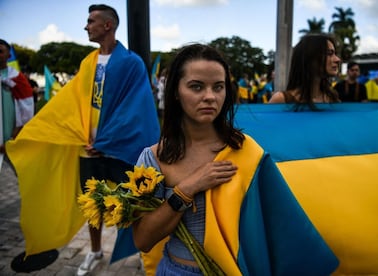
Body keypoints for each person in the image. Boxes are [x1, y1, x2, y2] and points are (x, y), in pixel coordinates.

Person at [131, 43, 338, 275]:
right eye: (196, 87)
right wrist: (186, 189)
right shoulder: (152, 159)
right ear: (176, 92)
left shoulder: (247, 150)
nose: (210, 97)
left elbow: (276, 222)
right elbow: (142, 240)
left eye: (218, 87)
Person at [5, 4, 160, 275]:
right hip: (87, 148)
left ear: (108, 26)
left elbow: (135, 108)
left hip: (118, 148)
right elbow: (74, 101)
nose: (86, 26)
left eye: (91, 21)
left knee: (136, 203)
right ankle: (96, 250)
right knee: (94, 203)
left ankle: (143, 253)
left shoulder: (132, 62)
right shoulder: (88, 62)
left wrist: (106, 141)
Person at [268, 33, 341, 109]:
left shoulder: (332, 98)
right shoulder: (282, 99)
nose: (337, 59)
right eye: (329, 53)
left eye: (335, 54)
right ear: (310, 58)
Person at [0, 39, 34, 154]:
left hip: (10, 137)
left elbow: (27, 109)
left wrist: (14, 138)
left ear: (8, 55)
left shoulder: (18, 78)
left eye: (0, 51)